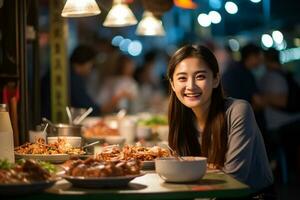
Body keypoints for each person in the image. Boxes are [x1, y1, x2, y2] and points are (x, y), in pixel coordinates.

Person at [167, 45, 273, 193]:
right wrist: (209, 168)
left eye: (200, 77)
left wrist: (195, 170)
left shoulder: (238, 110)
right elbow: (179, 172)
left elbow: (234, 178)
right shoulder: (181, 119)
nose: (190, 86)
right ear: (172, 83)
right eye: (182, 78)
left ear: (216, 79)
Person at [69, 45, 101, 116]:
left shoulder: (70, 73)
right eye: (91, 64)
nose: (91, 68)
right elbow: (87, 106)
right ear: (86, 62)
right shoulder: (72, 78)